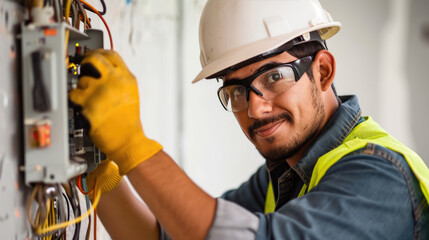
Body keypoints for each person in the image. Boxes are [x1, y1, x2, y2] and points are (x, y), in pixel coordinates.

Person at [69, 0, 429, 239]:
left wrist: (134, 145)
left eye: (274, 77)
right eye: (237, 91)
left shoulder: (380, 177)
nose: (255, 109)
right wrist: (103, 173)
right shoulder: (283, 175)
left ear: (322, 70)